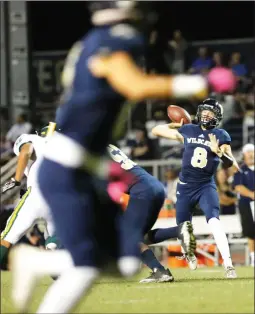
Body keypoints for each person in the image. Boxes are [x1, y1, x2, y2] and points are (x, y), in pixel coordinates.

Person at [9, 2, 231, 313]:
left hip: (84, 164)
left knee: (123, 262)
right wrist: (195, 83)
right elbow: (133, 84)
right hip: (67, 168)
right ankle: (37, 260)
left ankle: (36, 260)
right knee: (98, 262)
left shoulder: (96, 41)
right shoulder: (109, 40)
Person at [152, 98, 240, 278]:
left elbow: (233, 164)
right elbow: (156, 130)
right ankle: (189, 254)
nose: (206, 114)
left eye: (211, 112)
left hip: (205, 186)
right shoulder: (188, 129)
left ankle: (229, 265)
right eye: (204, 111)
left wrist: (220, 153)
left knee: (214, 221)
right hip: (184, 188)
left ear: (217, 117)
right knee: (183, 228)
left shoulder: (221, 135)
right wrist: (176, 124)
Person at [1, 126, 58, 267]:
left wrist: (16, 179)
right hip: (60, 198)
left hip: (37, 195)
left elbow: (26, 151)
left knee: (8, 237)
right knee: (53, 242)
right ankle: (57, 271)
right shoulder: (63, 147)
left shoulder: (32, 139)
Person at [233, 143, 254, 266]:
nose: (251, 155)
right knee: (251, 232)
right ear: (244, 155)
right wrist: (252, 194)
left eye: (253, 152)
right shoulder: (240, 170)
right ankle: (253, 257)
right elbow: (238, 187)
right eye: (248, 152)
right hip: (247, 204)